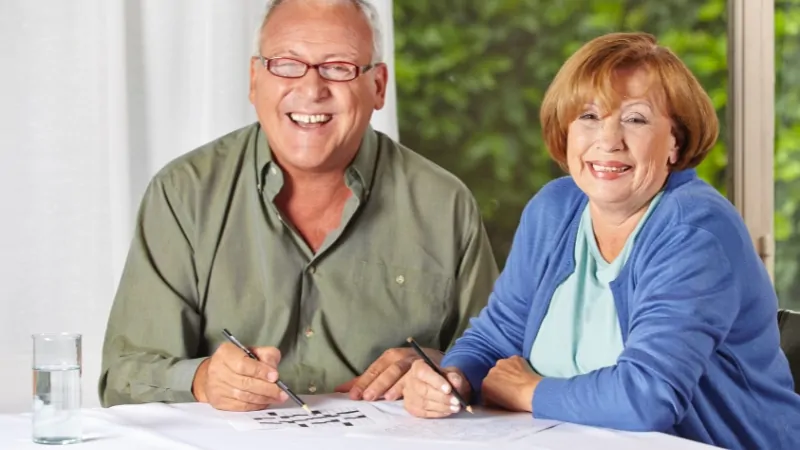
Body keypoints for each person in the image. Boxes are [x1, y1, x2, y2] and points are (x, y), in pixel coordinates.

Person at [402, 32, 800, 450]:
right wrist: (453, 378)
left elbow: (649, 397)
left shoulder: (695, 230)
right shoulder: (554, 210)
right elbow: (497, 336)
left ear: (674, 143)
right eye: (589, 116)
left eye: (636, 118)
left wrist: (528, 392)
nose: (608, 141)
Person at [99, 0, 498, 411]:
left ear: (378, 86)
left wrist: (443, 369)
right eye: (286, 64)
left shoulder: (444, 205)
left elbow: (501, 363)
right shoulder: (184, 194)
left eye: (338, 67)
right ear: (255, 80)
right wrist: (202, 380)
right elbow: (123, 377)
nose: (311, 90)